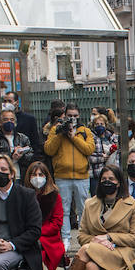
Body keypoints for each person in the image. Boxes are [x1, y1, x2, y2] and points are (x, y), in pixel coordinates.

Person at [43, 103, 96, 247]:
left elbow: (89, 149)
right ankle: (65, 237)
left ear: (79, 116)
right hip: (62, 176)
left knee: (83, 209)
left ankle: (83, 236)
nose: (72, 118)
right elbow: (49, 149)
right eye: (69, 116)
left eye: (75, 116)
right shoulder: (55, 130)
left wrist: (74, 137)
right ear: (64, 116)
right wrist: (61, 134)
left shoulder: (84, 131)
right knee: (64, 209)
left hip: (82, 176)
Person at [24, 161, 66, 270]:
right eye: (34, 174)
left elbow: (57, 222)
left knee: (33, 250)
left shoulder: (54, 196)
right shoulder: (23, 195)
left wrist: (37, 232)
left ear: (46, 176)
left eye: (41, 174)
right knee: (22, 250)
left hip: (49, 238)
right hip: (28, 236)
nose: (37, 177)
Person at [0, 108, 35, 178]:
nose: (9, 122)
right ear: (0, 122)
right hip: (2, 175)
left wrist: (21, 156)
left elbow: (31, 156)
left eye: (12, 120)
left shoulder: (23, 138)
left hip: (20, 175)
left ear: (15, 123)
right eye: (5, 120)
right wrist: (11, 156)